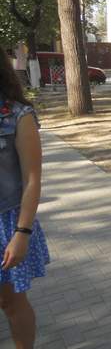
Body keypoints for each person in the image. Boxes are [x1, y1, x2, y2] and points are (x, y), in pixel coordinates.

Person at [0, 47, 50, 348]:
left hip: (7, 224)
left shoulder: (18, 115)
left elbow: (32, 179)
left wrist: (22, 233)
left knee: (10, 302)